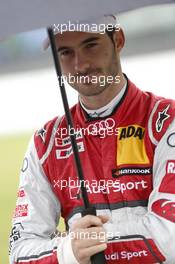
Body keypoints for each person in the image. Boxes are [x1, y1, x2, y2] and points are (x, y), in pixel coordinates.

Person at [9, 15, 175, 264]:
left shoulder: (166, 122)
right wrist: (68, 252)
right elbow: (19, 252)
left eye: (91, 45)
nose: (81, 65)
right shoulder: (45, 143)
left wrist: (84, 245)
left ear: (118, 40)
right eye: (65, 52)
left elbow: (169, 237)